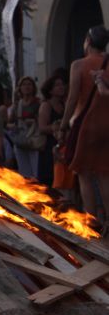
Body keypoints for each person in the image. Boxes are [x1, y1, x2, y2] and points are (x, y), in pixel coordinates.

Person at [58, 25, 109, 228]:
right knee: (105, 174)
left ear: (88, 41)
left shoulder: (79, 65)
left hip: (86, 125)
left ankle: (92, 222)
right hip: (107, 125)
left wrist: (63, 124)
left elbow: (72, 99)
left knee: (84, 174)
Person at [7, 76, 42, 179]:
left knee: (35, 171)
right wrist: (15, 126)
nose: (27, 87)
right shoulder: (17, 105)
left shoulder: (38, 103)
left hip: (34, 139)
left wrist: (34, 122)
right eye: (24, 84)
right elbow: (8, 123)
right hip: (20, 140)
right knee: (24, 173)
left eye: (29, 84)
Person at [37, 72, 68, 190]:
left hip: (63, 146)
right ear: (50, 90)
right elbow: (42, 127)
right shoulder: (46, 105)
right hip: (49, 146)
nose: (61, 87)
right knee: (49, 179)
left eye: (62, 85)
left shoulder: (64, 104)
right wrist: (56, 127)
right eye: (57, 85)